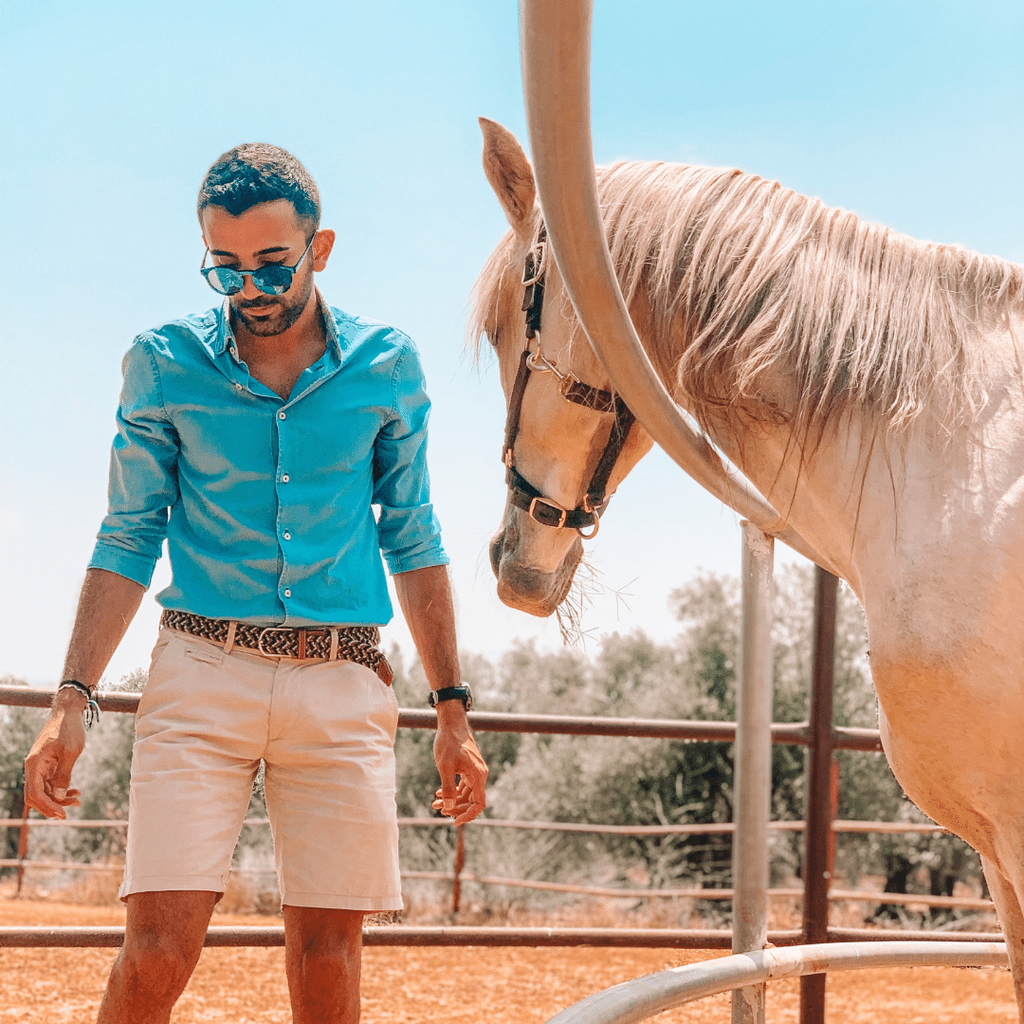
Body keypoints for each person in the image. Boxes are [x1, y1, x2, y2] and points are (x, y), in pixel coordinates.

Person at [22, 143, 488, 1024]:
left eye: (274, 263)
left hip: (344, 679)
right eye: (225, 267)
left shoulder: (387, 366)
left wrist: (452, 711)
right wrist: (69, 700)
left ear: (322, 247)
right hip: (203, 674)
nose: (251, 287)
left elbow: (415, 534)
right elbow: (128, 535)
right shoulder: (162, 364)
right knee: (157, 953)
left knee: (327, 966)